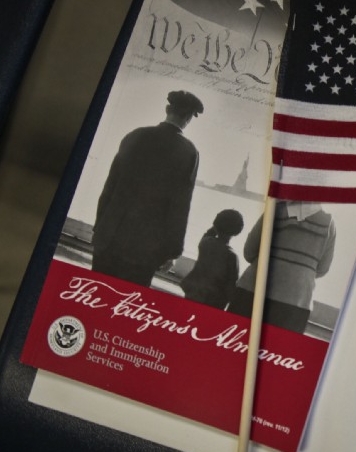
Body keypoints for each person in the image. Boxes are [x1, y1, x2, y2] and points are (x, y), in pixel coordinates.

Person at [92, 90, 203, 287]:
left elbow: (110, 187)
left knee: (92, 297)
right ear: (188, 118)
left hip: (109, 237)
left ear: (167, 109)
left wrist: (100, 227)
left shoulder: (134, 135)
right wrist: (172, 251)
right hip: (144, 250)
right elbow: (180, 206)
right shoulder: (189, 153)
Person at [228, 201, 336, 334]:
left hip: (252, 290)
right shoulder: (329, 224)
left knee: (231, 343)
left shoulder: (274, 211)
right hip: (296, 303)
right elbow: (322, 269)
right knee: (276, 351)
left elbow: (249, 251)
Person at [180, 209, 244, 309]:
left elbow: (209, 233)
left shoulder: (205, 243)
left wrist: (217, 224)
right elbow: (231, 285)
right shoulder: (231, 256)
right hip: (214, 300)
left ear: (215, 224)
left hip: (194, 292)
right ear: (237, 231)